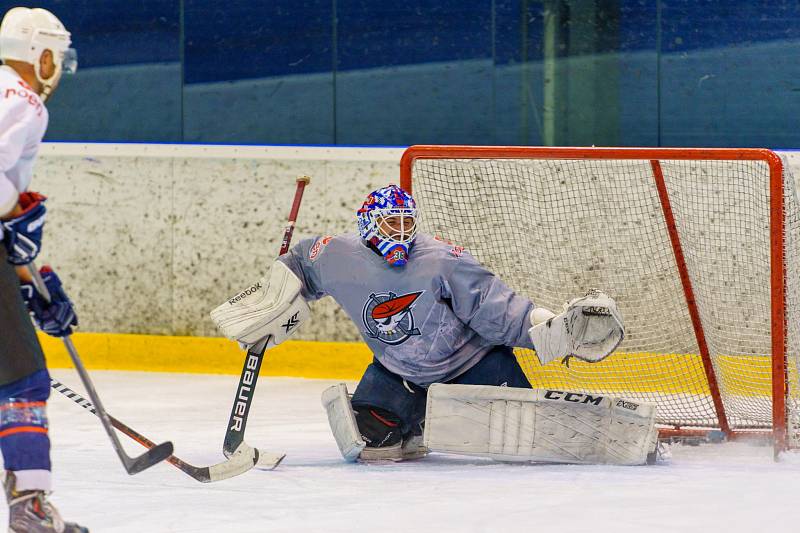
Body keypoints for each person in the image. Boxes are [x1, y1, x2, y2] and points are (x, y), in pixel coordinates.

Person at [211, 184, 629, 464]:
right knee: (367, 442)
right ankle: (420, 419)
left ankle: (433, 415)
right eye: (391, 224)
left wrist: (550, 327)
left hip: (474, 365)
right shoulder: (336, 255)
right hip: (399, 372)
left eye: (407, 223)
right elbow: (301, 263)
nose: (402, 233)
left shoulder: (442, 259)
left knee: (529, 434)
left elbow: (499, 309)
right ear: (368, 225)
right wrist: (275, 300)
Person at [0, 7, 86, 532]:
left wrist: (26, 270)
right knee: (24, 380)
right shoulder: (23, 101)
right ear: (42, 54)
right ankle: (30, 506)